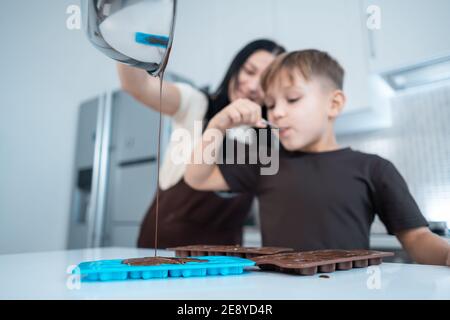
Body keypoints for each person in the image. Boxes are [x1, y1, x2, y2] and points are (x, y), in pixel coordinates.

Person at [184, 49, 450, 266]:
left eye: (292, 99)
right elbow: (197, 177)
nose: (276, 113)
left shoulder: (374, 168)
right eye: (271, 104)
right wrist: (216, 127)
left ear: (333, 104)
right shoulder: (266, 163)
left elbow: (417, 239)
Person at [117, 39, 286, 248]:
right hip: (165, 246)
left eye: (265, 82)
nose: (252, 87)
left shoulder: (269, 140)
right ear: (236, 67)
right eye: (249, 71)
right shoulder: (197, 105)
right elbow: (137, 86)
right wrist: (125, 40)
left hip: (226, 258)